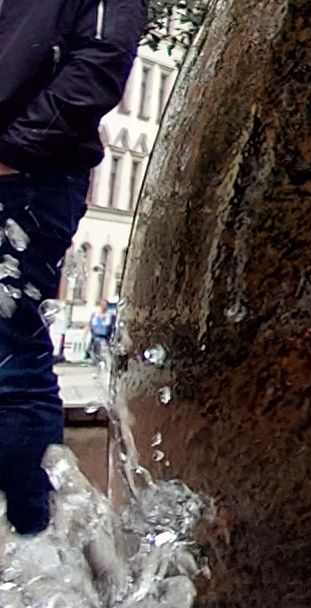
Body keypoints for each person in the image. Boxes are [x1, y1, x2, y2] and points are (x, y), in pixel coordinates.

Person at [0, 0, 148, 535]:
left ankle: (30, 542)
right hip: (22, 166)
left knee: (9, 361)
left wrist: (17, 149)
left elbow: (102, 60)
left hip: (25, 175)